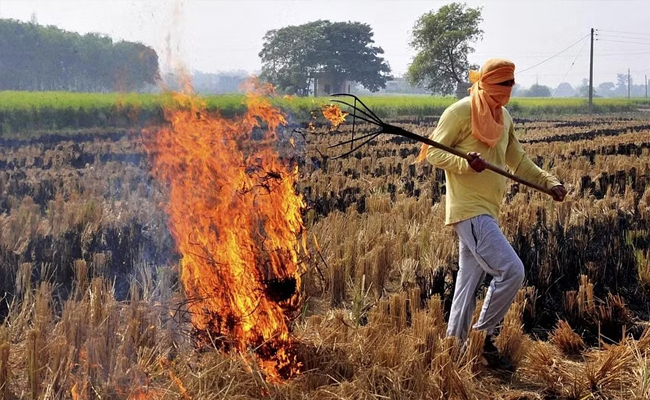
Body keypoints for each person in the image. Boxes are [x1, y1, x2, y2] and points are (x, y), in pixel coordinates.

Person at [419, 59, 567, 370]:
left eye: (512, 84)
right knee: (512, 270)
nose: (509, 90)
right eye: (504, 84)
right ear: (488, 84)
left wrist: (549, 182)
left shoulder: (503, 117)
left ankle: (454, 349)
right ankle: (480, 336)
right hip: (469, 210)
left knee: (467, 283)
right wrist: (465, 163)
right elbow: (432, 152)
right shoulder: (460, 112)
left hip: (488, 209)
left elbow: (519, 161)